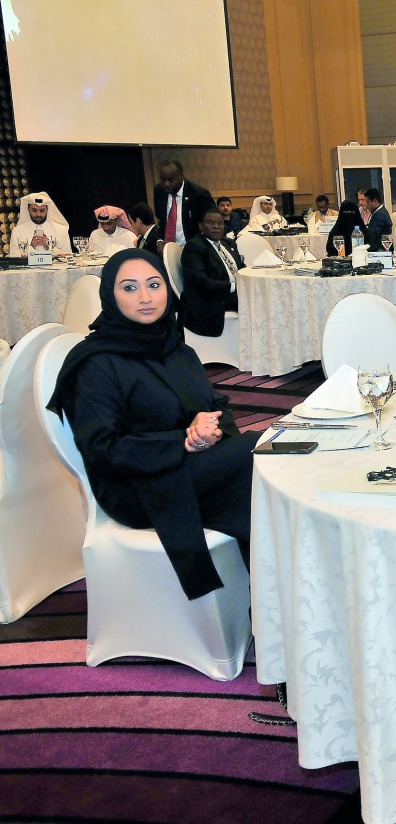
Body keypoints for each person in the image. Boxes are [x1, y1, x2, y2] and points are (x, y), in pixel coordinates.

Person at [46, 248, 256, 601]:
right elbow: (103, 448)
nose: (145, 297)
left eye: (154, 285)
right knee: (255, 462)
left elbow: (215, 406)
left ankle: (269, 596)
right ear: (110, 296)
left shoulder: (175, 348)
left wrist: (209, 427)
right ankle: (272, 600)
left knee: (268, 460)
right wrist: (183, 442)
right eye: (129, 288)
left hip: (192, 466)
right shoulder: (95, 363)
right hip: (136, 484)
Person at [180, 207, 244, 336]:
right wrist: (235, 287)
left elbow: (241, 267)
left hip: (237, 292)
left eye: (220, 223)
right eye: (210, 223)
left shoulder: (229, 243)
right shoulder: (194, 247)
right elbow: (201, 282)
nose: (216, 227)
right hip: (212, 300)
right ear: (201, 226)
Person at [153, 158, 216, 244]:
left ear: (181, 176)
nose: (166, 184)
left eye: (171, 180)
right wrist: (160, 240)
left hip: (194, 247)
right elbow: (161, 220)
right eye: (162, 180)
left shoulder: (199, 194)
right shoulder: (159, 191)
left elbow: (212, 225)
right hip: (168, 248)